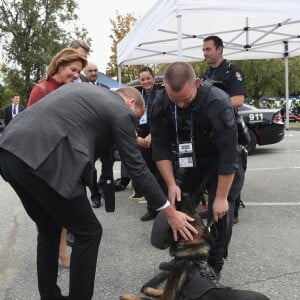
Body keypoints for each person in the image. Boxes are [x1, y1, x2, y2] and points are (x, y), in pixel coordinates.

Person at [0, 84, 197, 300]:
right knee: (89, 231)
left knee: (49, 227)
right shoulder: (120, 110)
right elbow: (137, 167)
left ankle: (49, 296)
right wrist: (170, 213)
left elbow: (76, 135)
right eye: (135, 118)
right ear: (130, 102)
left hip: (10, 153)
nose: (131, 127)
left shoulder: (89, 95)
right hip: (43, 160)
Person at [150, 62, 244, 279]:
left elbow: (229, 156)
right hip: (193, 158)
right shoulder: (161, 101)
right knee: (181, 201)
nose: (181, 105)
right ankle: (185, 256)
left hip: (223, 159)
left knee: (220, 211)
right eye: (176, 100)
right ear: (165, 88)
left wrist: (220, 197)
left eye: (186, 99)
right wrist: (172, 184)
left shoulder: (218, 102)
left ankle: (213, 266)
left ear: (197, 83)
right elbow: (160, 148)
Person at [27, 47, 87, 270]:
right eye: (73, 69)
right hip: (43, 160)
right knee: (44, 213)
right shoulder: (41, 90)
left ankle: (61, 251)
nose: (75, 75)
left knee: (62, 210)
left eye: (78, 72)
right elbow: (30, 129)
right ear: (61, 65)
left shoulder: (70, 90)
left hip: (66, 159)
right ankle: (48, 251)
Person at [202, 35, 248, 224]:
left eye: (208, 49)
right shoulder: (207, 74)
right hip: (211, 131)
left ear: (219, 49)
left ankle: (232, 210)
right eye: (203, 50)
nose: (204, 53)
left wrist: (214, 105)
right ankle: (215, 204)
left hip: (229, 129)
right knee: (213, 169)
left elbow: (238, 100)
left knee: (232, 169)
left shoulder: (232, 72)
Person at [83, 60, 110, 208]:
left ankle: (103, 187)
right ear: (84, 73)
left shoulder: (105, 88)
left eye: (95, 70)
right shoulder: (80, 89)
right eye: (90, 71)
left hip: (105, 136)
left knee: (108, 167)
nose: (94, 73)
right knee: (90, 169)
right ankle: (95, 194)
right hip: (88, 138)